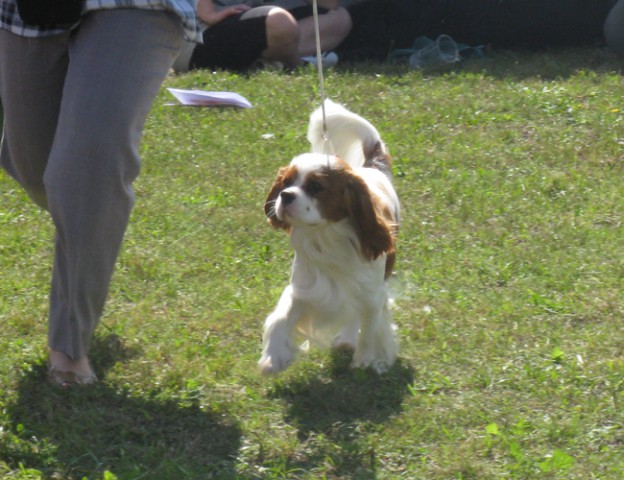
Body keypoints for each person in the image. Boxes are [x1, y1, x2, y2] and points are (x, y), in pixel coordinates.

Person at [0, 1, 201, 386]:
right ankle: (90, 221)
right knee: (37, 170)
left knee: (88, 167)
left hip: (138, 6)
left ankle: (69, 347)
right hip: (28, 11)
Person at [172, 0, 352, 72]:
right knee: (281, 22)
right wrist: (209, 12)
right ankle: (296, 63)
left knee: (339, 19)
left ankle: (268, 61)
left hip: (246, 20)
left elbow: (328, 4)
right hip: (199, 35)